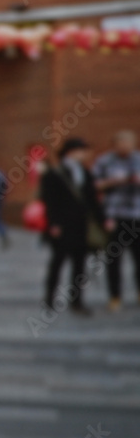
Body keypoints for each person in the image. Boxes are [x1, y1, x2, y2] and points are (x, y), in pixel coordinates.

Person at [39, 138, 104, 315]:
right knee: (57, 263)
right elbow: (49, 201)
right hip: (63, 226)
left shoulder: (84, 172)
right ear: (71, 151)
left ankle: (77, 301)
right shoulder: (55, 173)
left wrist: (102, 220)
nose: (84, 154)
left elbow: (92, 200)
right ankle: (50, 298)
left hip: (81, 226)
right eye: (81, 150)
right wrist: (53, 224)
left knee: (79, 265)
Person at [92, 130, 140, 312]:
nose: (125, 147)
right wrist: (116, 181)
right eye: (121, 143)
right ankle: (115, 296)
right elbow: (94, 185)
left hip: (137, 214)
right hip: (114, 215)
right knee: (113, 259)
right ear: (115, 144)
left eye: (129, 143)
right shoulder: (105, 161)